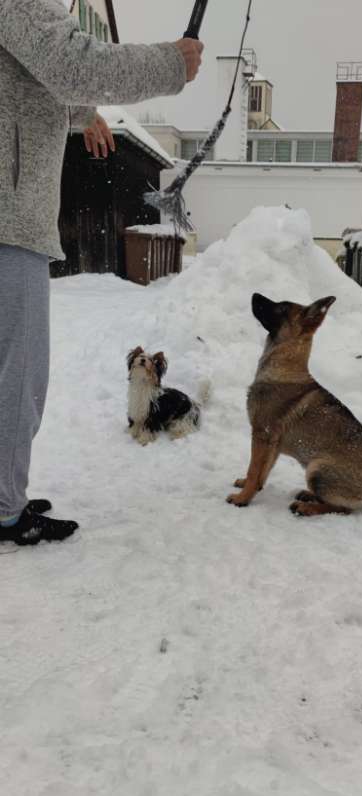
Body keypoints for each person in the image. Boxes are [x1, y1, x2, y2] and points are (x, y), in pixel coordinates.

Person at [0, 0, 203, 546]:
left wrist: (81, 112)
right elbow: (74, 64)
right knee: (19, 376)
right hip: (7, 224)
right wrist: (170, 64)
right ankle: (4, 510)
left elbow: (31, 86)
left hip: (10, 219)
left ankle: (2, 494)